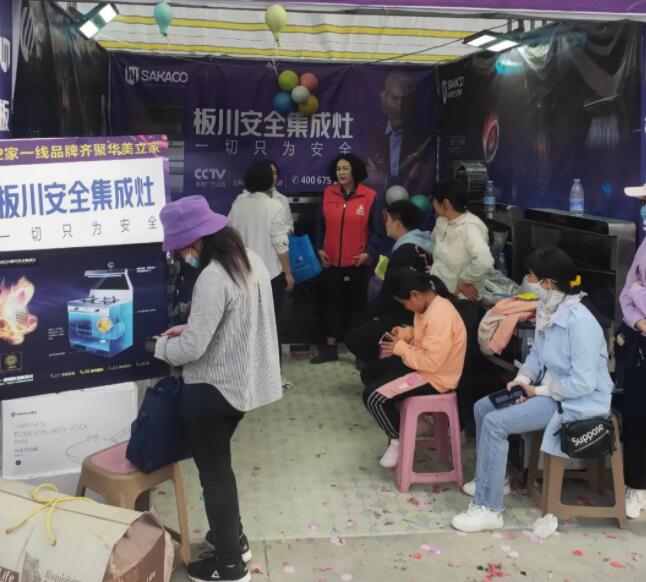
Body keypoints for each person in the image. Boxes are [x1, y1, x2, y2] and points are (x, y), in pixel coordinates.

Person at [154, 195, 282, 582]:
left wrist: (160, 347)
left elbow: (192, 349)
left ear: (196, 240)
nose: (181, 257)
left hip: (211, 390)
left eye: (181, 249)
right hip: (240, 386)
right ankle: (234, 539)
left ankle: (229, 566)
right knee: (221, 471)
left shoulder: (212, 276)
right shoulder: (249, 260)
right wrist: (191, 328)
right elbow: (229, 321)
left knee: (214, 478)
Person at [451, 247, 612, 533]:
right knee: (483, 407)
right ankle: (496, 480)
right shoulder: (547, 310)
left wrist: (537, 392)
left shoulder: (581, 322)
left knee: (496, 423)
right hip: (548, 389)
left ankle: (489, 508)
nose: (529, 281)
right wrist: (523, 379)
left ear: (549, 283)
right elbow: (538, 354)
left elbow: (583, 383)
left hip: (576, 400)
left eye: (533, 277)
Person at [360, 269, 467, 468]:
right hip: (420, 365)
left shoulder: (440, 315)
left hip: (435, 377)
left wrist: (401, 348)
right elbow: (424, 335)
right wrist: (407, 334)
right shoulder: (427, 307)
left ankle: (398, 438)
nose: (406, 308)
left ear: (415, 295)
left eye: (405, 303)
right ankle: (408, 420)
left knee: (373, 397)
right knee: (369, 374)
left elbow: (431, 362)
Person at [311, 153, 381, 364]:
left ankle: (360, 353)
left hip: (358, 263)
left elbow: (377, 231)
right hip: (331, 262)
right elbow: (320, 226)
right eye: (338, 169)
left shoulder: (369, 196)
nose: (340, 172)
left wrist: (368, 253)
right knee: (331, 306)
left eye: (345, 168)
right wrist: (319, 249)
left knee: (358, 308)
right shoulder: (328, 193)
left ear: (354, 171)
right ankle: (330, 349)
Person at [345, 200, 432, 364]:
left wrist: (374, 312)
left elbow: (395, 292)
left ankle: (381, 366)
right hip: (413, 311)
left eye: (388, 220)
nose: (386, 224)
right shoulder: (420, 245)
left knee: (355, 337)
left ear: (397, 223)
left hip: (405, 314)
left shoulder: (405, 252)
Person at [228, 160, 294, 353]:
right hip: (270, 275)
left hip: (242, 274)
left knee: (245, 326)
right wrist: (288, 273)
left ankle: (246, 368)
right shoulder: (275, 206)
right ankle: (271, 370)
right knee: (271, 327)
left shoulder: (238, 205)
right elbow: (280, 243)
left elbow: (230, 236)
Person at [617, 184, 646, 518]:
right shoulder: (644, 244)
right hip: (640, 343)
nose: (643, 209)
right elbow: (627, 293)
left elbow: (635, 291)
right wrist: (640, 321)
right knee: (637, 416)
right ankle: (636, 487)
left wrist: (639, 293)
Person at [366, 71, 434, 195]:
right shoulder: (371, 133)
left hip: (410, 199)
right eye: (395, 98)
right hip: (377, 198)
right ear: (384, 98)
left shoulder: (422, 137)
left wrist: (383, 179)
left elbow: (421, 179)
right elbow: (367, 176)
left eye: (405, 99)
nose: (400, 104)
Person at [430, 180, 494, 301]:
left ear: (446, 203)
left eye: (434, 200)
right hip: (439, 293)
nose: (433, 204)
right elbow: (435, 246)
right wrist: (435, 268)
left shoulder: (471, 226)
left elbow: (484, 261)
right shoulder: (441, 221)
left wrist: (464, 281)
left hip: (460, 299)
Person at [269, 160, 295, 234]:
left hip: (279, 239)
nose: (272, 176)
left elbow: (290, 227)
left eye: (274, 173)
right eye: (269, 173)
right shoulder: (251, 199)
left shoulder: (283, 199)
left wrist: (282, 230)